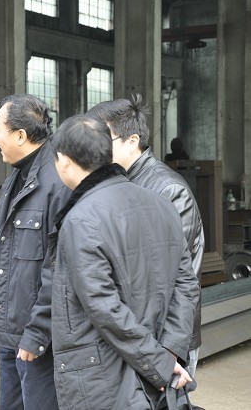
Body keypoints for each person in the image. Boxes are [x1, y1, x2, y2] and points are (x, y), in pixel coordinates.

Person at [49, 115, 199, 410]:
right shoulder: (161, 204)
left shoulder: (81, 219)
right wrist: (169, 351)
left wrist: (159, 362)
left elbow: (103, 306)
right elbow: (187, 284)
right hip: (156, 363)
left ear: (63, 160)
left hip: (103, 375)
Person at [86, 95, 205, 388]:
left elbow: (176, 278)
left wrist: (167, 350)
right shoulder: (112, 184)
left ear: (132, 141)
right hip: (134, 337)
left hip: (163, 339)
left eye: (102, 140)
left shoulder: (167, 189)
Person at [0, 94, 70, 409]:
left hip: (38, 338)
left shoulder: (57, 182)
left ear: (20, 135)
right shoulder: (16, 179)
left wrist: (37, 333)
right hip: (12, 329)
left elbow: (59, 268)